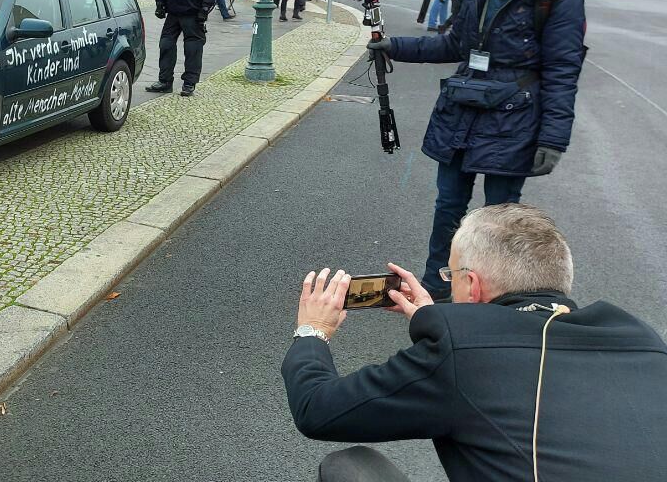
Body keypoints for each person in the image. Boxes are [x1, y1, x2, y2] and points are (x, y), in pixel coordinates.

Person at [284, 203, 667, 482]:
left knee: (350, 469)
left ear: (473, 284)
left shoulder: (461, 351)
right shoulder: (643, 341)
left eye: (451, 274)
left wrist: (313, 330)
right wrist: (435, 316)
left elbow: (317, 409)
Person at [366, 0, 585, 300]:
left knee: (501, 220)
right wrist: (396, 46)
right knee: (448, 206)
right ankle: (438, 286)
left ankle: (499, 296)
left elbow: (562, 72)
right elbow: (454, 44)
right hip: (462, 112)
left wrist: (553, 138)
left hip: (515, 119)